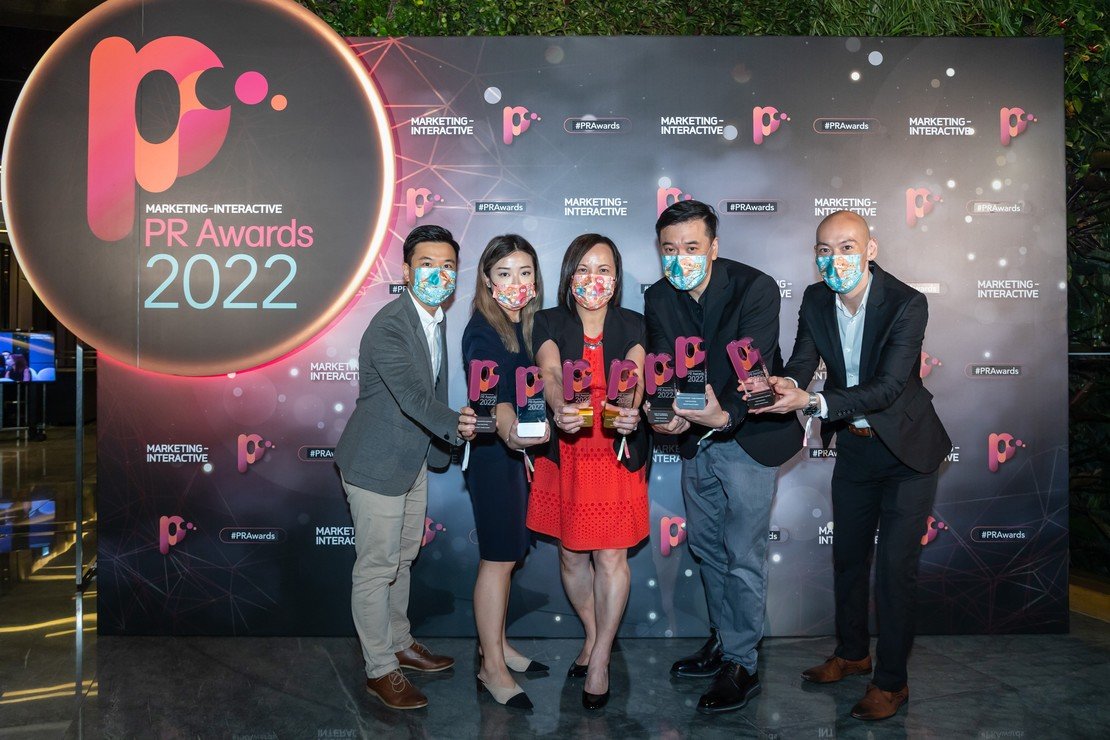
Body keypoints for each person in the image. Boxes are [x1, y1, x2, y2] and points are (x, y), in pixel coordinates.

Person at [751, 210, 951, 721]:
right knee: (847, 559)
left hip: (908, 453)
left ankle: (892, 682)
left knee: (894, 571)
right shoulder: (816, 298)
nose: (834, 258)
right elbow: (803, 359)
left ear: (870, 249)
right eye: (824, 249)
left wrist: (814, 403)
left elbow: (888, 387)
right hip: (857, 449)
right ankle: (853, 654)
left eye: (846, 247)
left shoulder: (907, 302)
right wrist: (786, 385)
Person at [643, 200, 802, 714]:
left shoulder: (755, 287)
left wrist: (723, 415)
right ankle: (723, 639)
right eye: (670, 249)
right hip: (696, 442)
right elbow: (662, 367)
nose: (680, 258)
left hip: (749, 436)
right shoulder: (658, 297)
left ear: (713, 247)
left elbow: (754, 366)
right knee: (707, 547)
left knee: (742, 553)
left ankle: (742, 664)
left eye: (692, 247)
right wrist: (663, 414)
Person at [334, 224, 478, 711]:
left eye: (447, 266)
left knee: (402, 559)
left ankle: (399, 643)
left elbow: (432, 390)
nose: (439, 274)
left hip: (410, 458)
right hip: (375, 461)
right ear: (406, 270)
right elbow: (415, 398)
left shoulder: (435, 318)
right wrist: (460, 425)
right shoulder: (391, 325)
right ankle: (379, 668)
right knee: (376, 568)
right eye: (427, 265)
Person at [526, 233, 649, 710]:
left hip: (615, 449)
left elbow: (634, 378)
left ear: (615, 279)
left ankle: (598, 661)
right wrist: (559, 406)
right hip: (568, 449)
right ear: (569, 275)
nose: (592, 279)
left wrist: (629, 408)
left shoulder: (634, 323)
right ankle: (597, 634)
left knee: (611, 557)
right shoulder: (548, 320)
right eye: (583, 269)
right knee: (572, 557)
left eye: (603, 270)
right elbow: (550, 373)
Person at [461, 234, 551, 709]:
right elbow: (492, 398)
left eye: (524, 272)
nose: (517, 282)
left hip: (520, 456)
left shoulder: (529, 325)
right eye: (504, 273)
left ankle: (495, 646)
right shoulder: (483, 331)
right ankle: (490, 668)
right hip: (495, 456)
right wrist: (510, 431)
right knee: (498, 559)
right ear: (487, 279)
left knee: (512, 555)